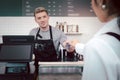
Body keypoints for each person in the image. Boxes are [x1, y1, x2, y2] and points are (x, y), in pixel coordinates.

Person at [68, 0, 120, 80]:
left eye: (91, 1)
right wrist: (77, 45)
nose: (91, 5)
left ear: (102, 2)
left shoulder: (97, 45)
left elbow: (101, 48)